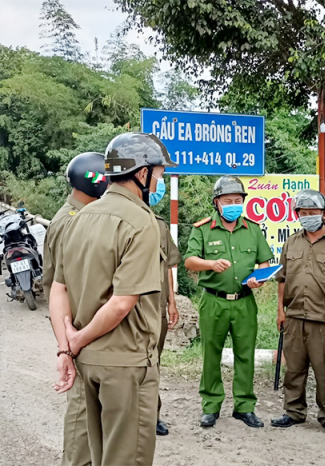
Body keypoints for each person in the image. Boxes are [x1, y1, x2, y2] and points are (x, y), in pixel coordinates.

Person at [50, 132, 175, 466]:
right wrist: (76, 340)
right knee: (124, 458)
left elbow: (58, 289)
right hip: (126, 363)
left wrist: (68, 347)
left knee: (93, 453)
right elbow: (122, 303)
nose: (160, 180)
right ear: (142, 172)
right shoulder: (141, 221)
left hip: (87, 362)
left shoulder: (80, 218)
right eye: (159, 173)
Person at [184, 176, 274, 429]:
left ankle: (244, 407)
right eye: (228, 201)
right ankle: (211, 406)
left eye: (238, 200)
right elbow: (189, 260)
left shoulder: (253, 229)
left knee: (245, 354)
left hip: (245, 302)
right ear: (217, 203)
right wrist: (210, 264)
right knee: (210, 354)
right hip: (213, 301)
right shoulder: (202, 229)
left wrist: (260, 279)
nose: (234, 204)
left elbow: (265, 261)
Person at [44, 151, 107, 466]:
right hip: (78, 330)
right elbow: (62, 287)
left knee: (91, 411)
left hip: (80, 329)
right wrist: (65, 347)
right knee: (82, 410)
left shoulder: (78, 214)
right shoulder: (73, 221)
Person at [271, 189, 325, 437]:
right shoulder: (292, 242)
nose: (308, 217)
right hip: (294, 316)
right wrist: (280, 310)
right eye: (303, 213)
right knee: (293, 368)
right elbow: (282, 278)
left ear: (324, 213)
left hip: (324, 318)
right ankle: (293, 411)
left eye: (313, 212)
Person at [150, 189, 182, 436]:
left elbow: (169, 265)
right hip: (126, 309)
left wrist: (172, 302)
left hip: (156, 307)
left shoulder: (159, 225)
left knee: (154, 363)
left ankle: (153, 414)